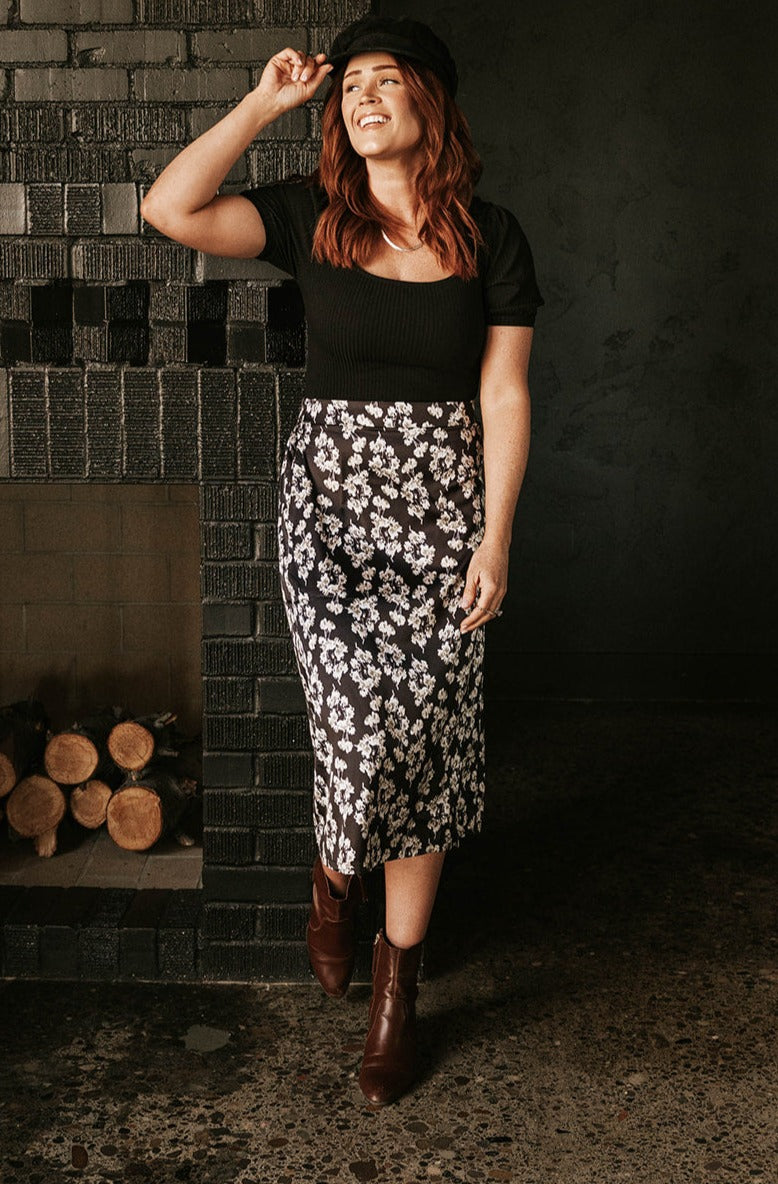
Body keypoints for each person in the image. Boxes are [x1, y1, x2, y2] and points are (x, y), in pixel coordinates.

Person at [140, 14, 544, 1107]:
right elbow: (170, 209)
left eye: (386, 78)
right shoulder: (310, 213)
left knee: (430, 740)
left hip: (447, 514)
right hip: (330, 510)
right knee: (362, 724)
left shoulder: (492, 236)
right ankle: (333, 874)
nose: (362, 95)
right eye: (348, 83)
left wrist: (497, 535)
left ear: (431, 102)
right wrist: (264, 102)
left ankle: (396, 991)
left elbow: (504, 391)